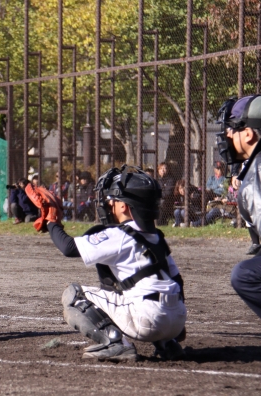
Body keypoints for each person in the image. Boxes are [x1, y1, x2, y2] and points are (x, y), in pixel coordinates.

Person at [35, 165, 186, 361]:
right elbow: (177, 280)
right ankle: (167, 344)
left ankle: (115, 342)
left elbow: (68, 247)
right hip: (176, 319)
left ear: (124, 206)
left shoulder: (119, 234)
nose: (108, 203)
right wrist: (178, 327)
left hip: (147, 319)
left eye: (112, 199)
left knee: (73, 294)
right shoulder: (157, 236)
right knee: (130, 283)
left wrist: (52, 221)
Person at [215, 94, 261, 319]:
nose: (227, 135)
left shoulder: (255, 177)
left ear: (249, 134)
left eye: (233, 129)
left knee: (244, 275)